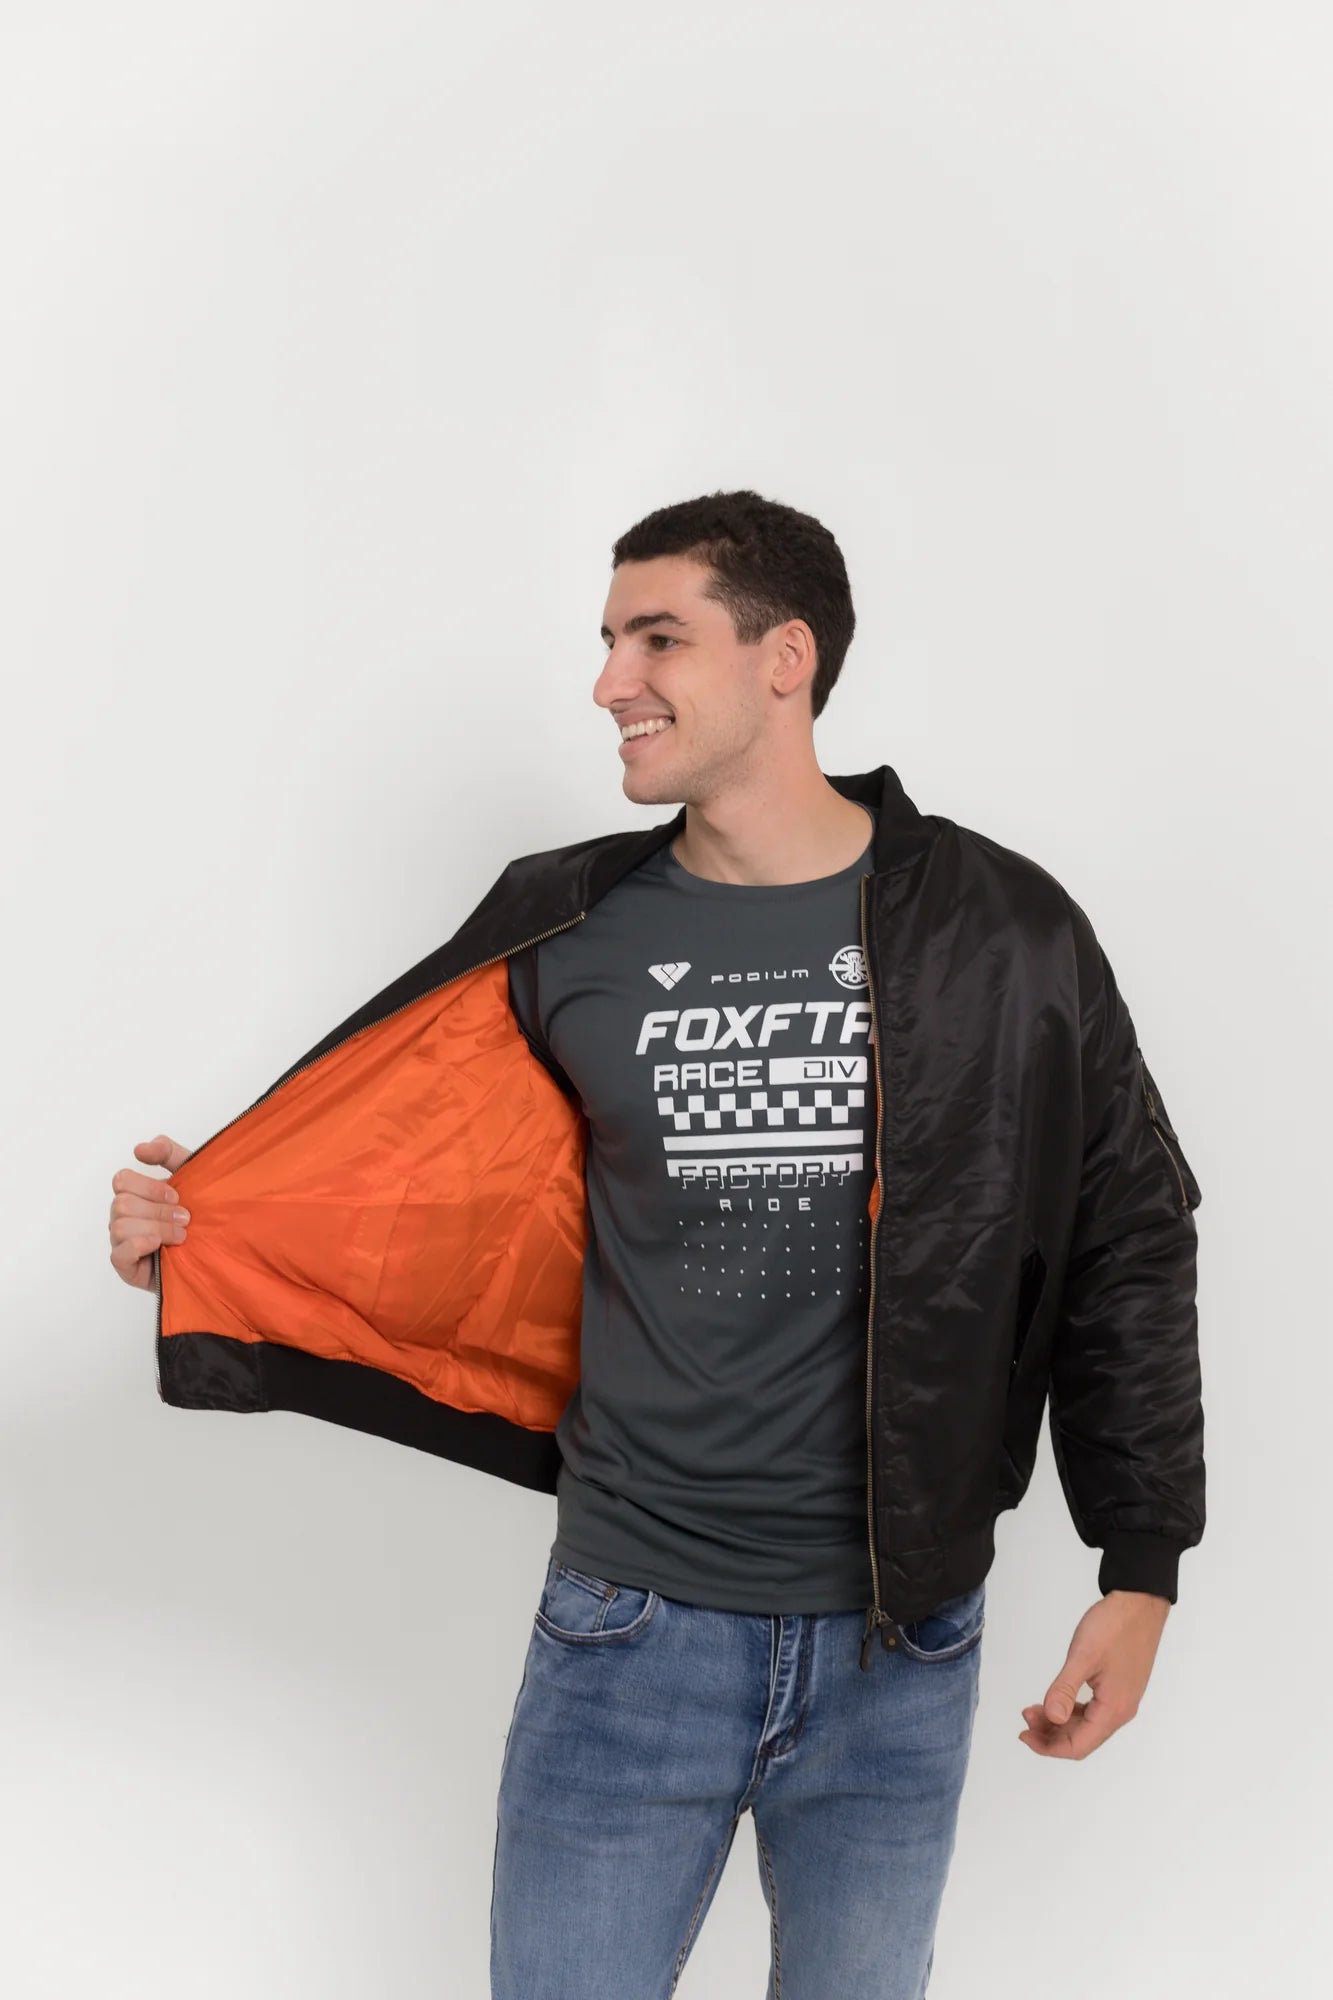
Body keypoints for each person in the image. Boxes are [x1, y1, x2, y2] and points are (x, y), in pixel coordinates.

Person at [107, 489, 1205, 1999]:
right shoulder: (563, 928)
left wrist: (1140, 1565)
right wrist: (215, 1227)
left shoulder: (1002, 931)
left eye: (657, 639)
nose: (609, 681)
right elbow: (431, 1172)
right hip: (627, 1634)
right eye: (611, 641)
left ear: (784, 660)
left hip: (901, 1648)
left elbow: (1124, 1235)